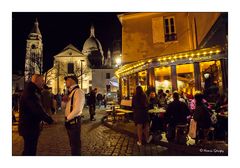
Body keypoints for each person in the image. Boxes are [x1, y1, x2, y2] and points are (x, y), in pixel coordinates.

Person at [18, 74, 54, 156]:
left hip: (30, 126)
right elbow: (36, 108)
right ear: (36, 81)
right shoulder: (31, 92)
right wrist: (48, 119)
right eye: (42, 81)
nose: (43, 83)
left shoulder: (33, 90)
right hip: (29, 126)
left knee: (29, 149)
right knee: (29, 151)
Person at [63, 75, 85, 156]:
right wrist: (64, 101)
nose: (65, 82)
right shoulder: (70, 92)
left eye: (67, 80)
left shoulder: (78, 92)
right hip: (70, 122)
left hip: (74, 122)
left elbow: (78, 109)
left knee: (75, 146)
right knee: (72, 145)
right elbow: (63, 107)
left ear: (72, 80)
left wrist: (67, 118)